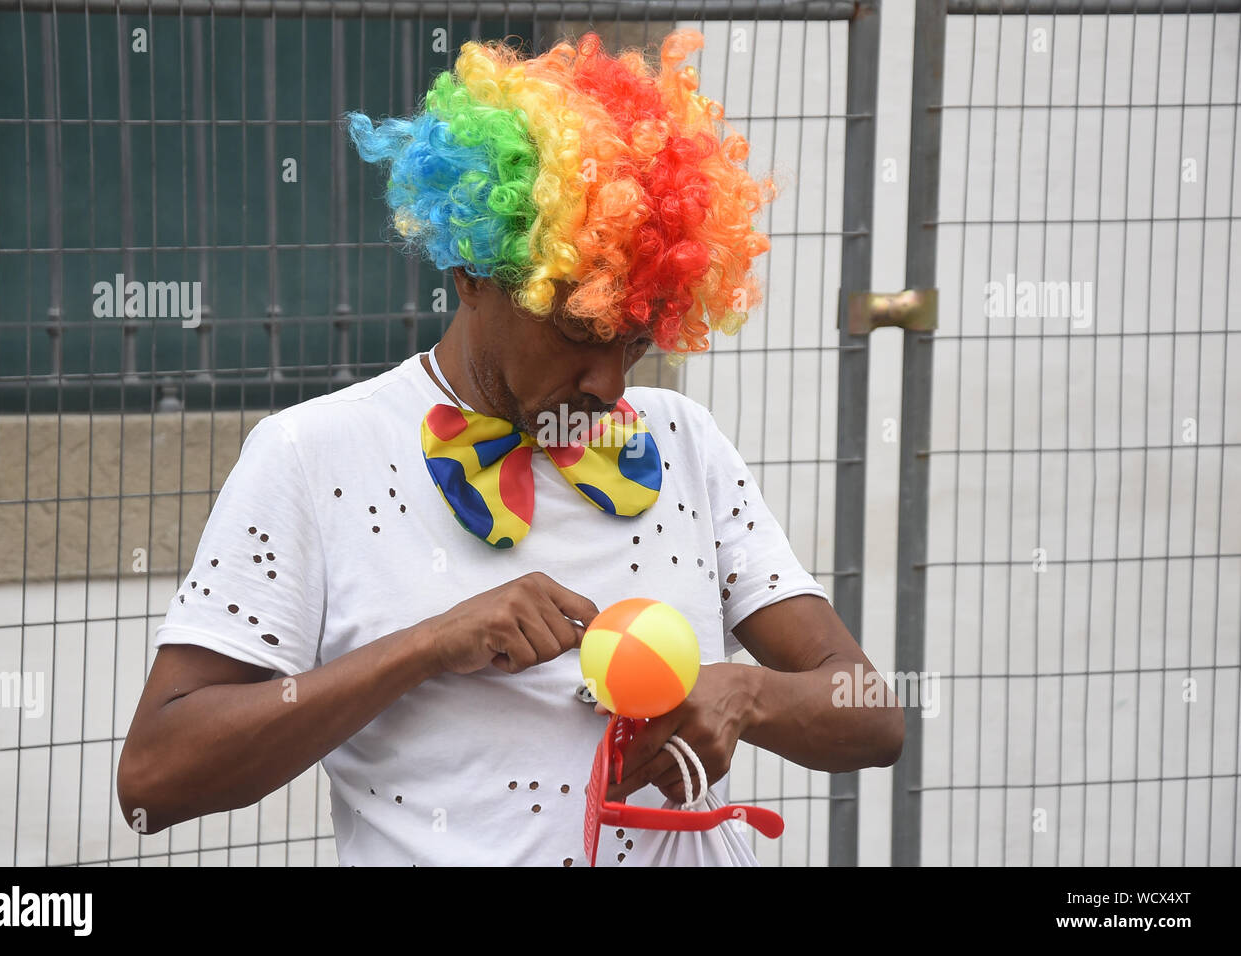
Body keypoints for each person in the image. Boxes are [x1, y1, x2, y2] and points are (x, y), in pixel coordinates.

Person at [117, 29, 903, 866]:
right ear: (472, 273)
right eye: (579, 331)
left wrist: (747, 693)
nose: (607, 383)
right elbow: (155, 781)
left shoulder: (685, 442)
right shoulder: (312, 456)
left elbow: (872, 716)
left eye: (634, 342)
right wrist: (428, 645)